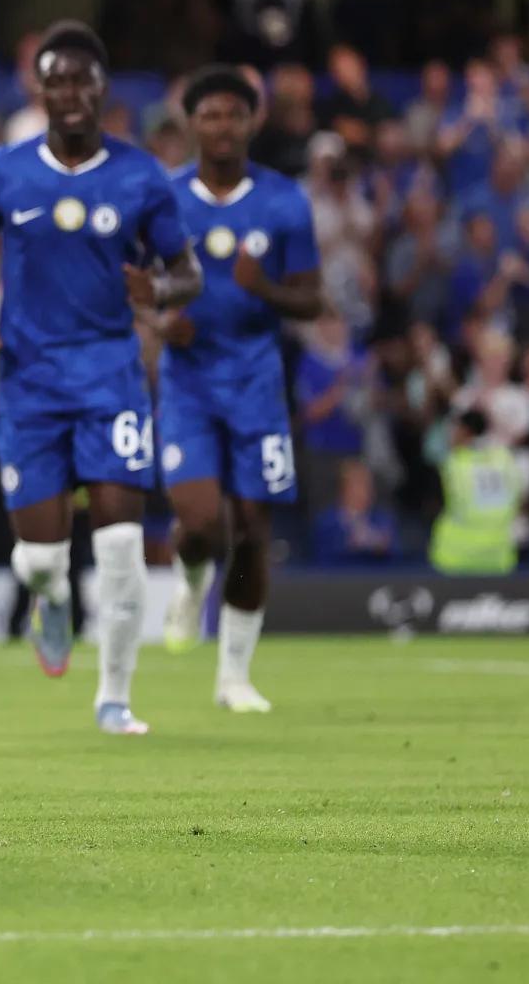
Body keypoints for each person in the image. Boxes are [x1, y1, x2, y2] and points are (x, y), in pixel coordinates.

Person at [0, 20, 202, 736]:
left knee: (120, 548)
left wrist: (160, 289)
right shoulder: (4, 170)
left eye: (80, 82)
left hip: (111, 378)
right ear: (39, 91)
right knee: (38, 559)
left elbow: (186, 271)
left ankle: (115, 698)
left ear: (101, 89)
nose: (68, 94)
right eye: (54, 81)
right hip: (29, 384)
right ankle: (51, 597)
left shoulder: (140, 176)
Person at [154, 66, 321, 714]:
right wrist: (160, 323)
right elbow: (131, 285)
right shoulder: (164, 199)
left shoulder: (284, 201)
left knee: (253, 528)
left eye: (234, 114)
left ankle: (233, 677)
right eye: (211, 114)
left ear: (253, 122)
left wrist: (266, 290)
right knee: (201, 523)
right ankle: (191, 575)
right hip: (189, 385)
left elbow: (312, 299)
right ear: (192, 123)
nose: (222, 125)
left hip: (256, 386)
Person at [429, 408, 522, 574]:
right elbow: (518, 498)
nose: (451, 436)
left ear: (465, 432)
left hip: (455, 557)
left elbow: (434, 503)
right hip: (498, 556)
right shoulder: (505, 459)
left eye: (454, 430)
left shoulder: (454, 464)